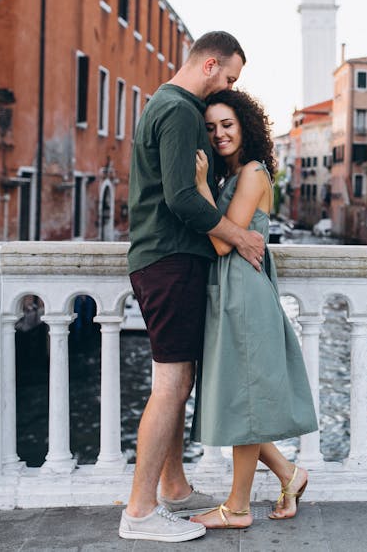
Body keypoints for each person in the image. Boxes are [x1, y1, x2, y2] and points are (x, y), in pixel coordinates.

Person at [119, 31, 266, 543]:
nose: (226, 86)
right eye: (227, 77)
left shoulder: (163, 102)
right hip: (170, 260)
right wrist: (238, 235)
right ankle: (139, 512)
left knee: (176, 384)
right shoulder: (180, 111)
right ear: (209, 65)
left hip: (165, 260)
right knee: (171, 386)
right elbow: (182, 198)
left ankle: (175, 490)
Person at [188, 89, 318, 530]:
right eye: (210, 128)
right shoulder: (232, 175)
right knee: (238, 398)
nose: (219, 134)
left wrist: (201, 188)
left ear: (245, 125)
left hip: (243, 295)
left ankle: (238, 508)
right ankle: (289, 474)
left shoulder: (252, 173)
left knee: (243, 400)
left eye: (227, 124)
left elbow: (223, 239)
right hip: (229, 293)